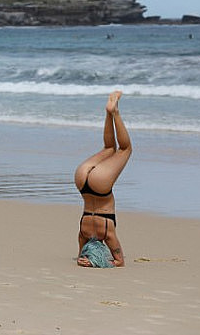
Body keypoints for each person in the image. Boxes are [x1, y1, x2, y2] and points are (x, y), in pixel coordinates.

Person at [74, 91, 132, 267]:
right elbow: (80, 255)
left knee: (125, 149)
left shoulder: (107, 234)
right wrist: (84, 259)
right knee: (109, 148)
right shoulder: (83, 234)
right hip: (82, 180)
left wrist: (94, 263)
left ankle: (114, 112)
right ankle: (108, 112)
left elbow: (119, 261)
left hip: (101, 185)